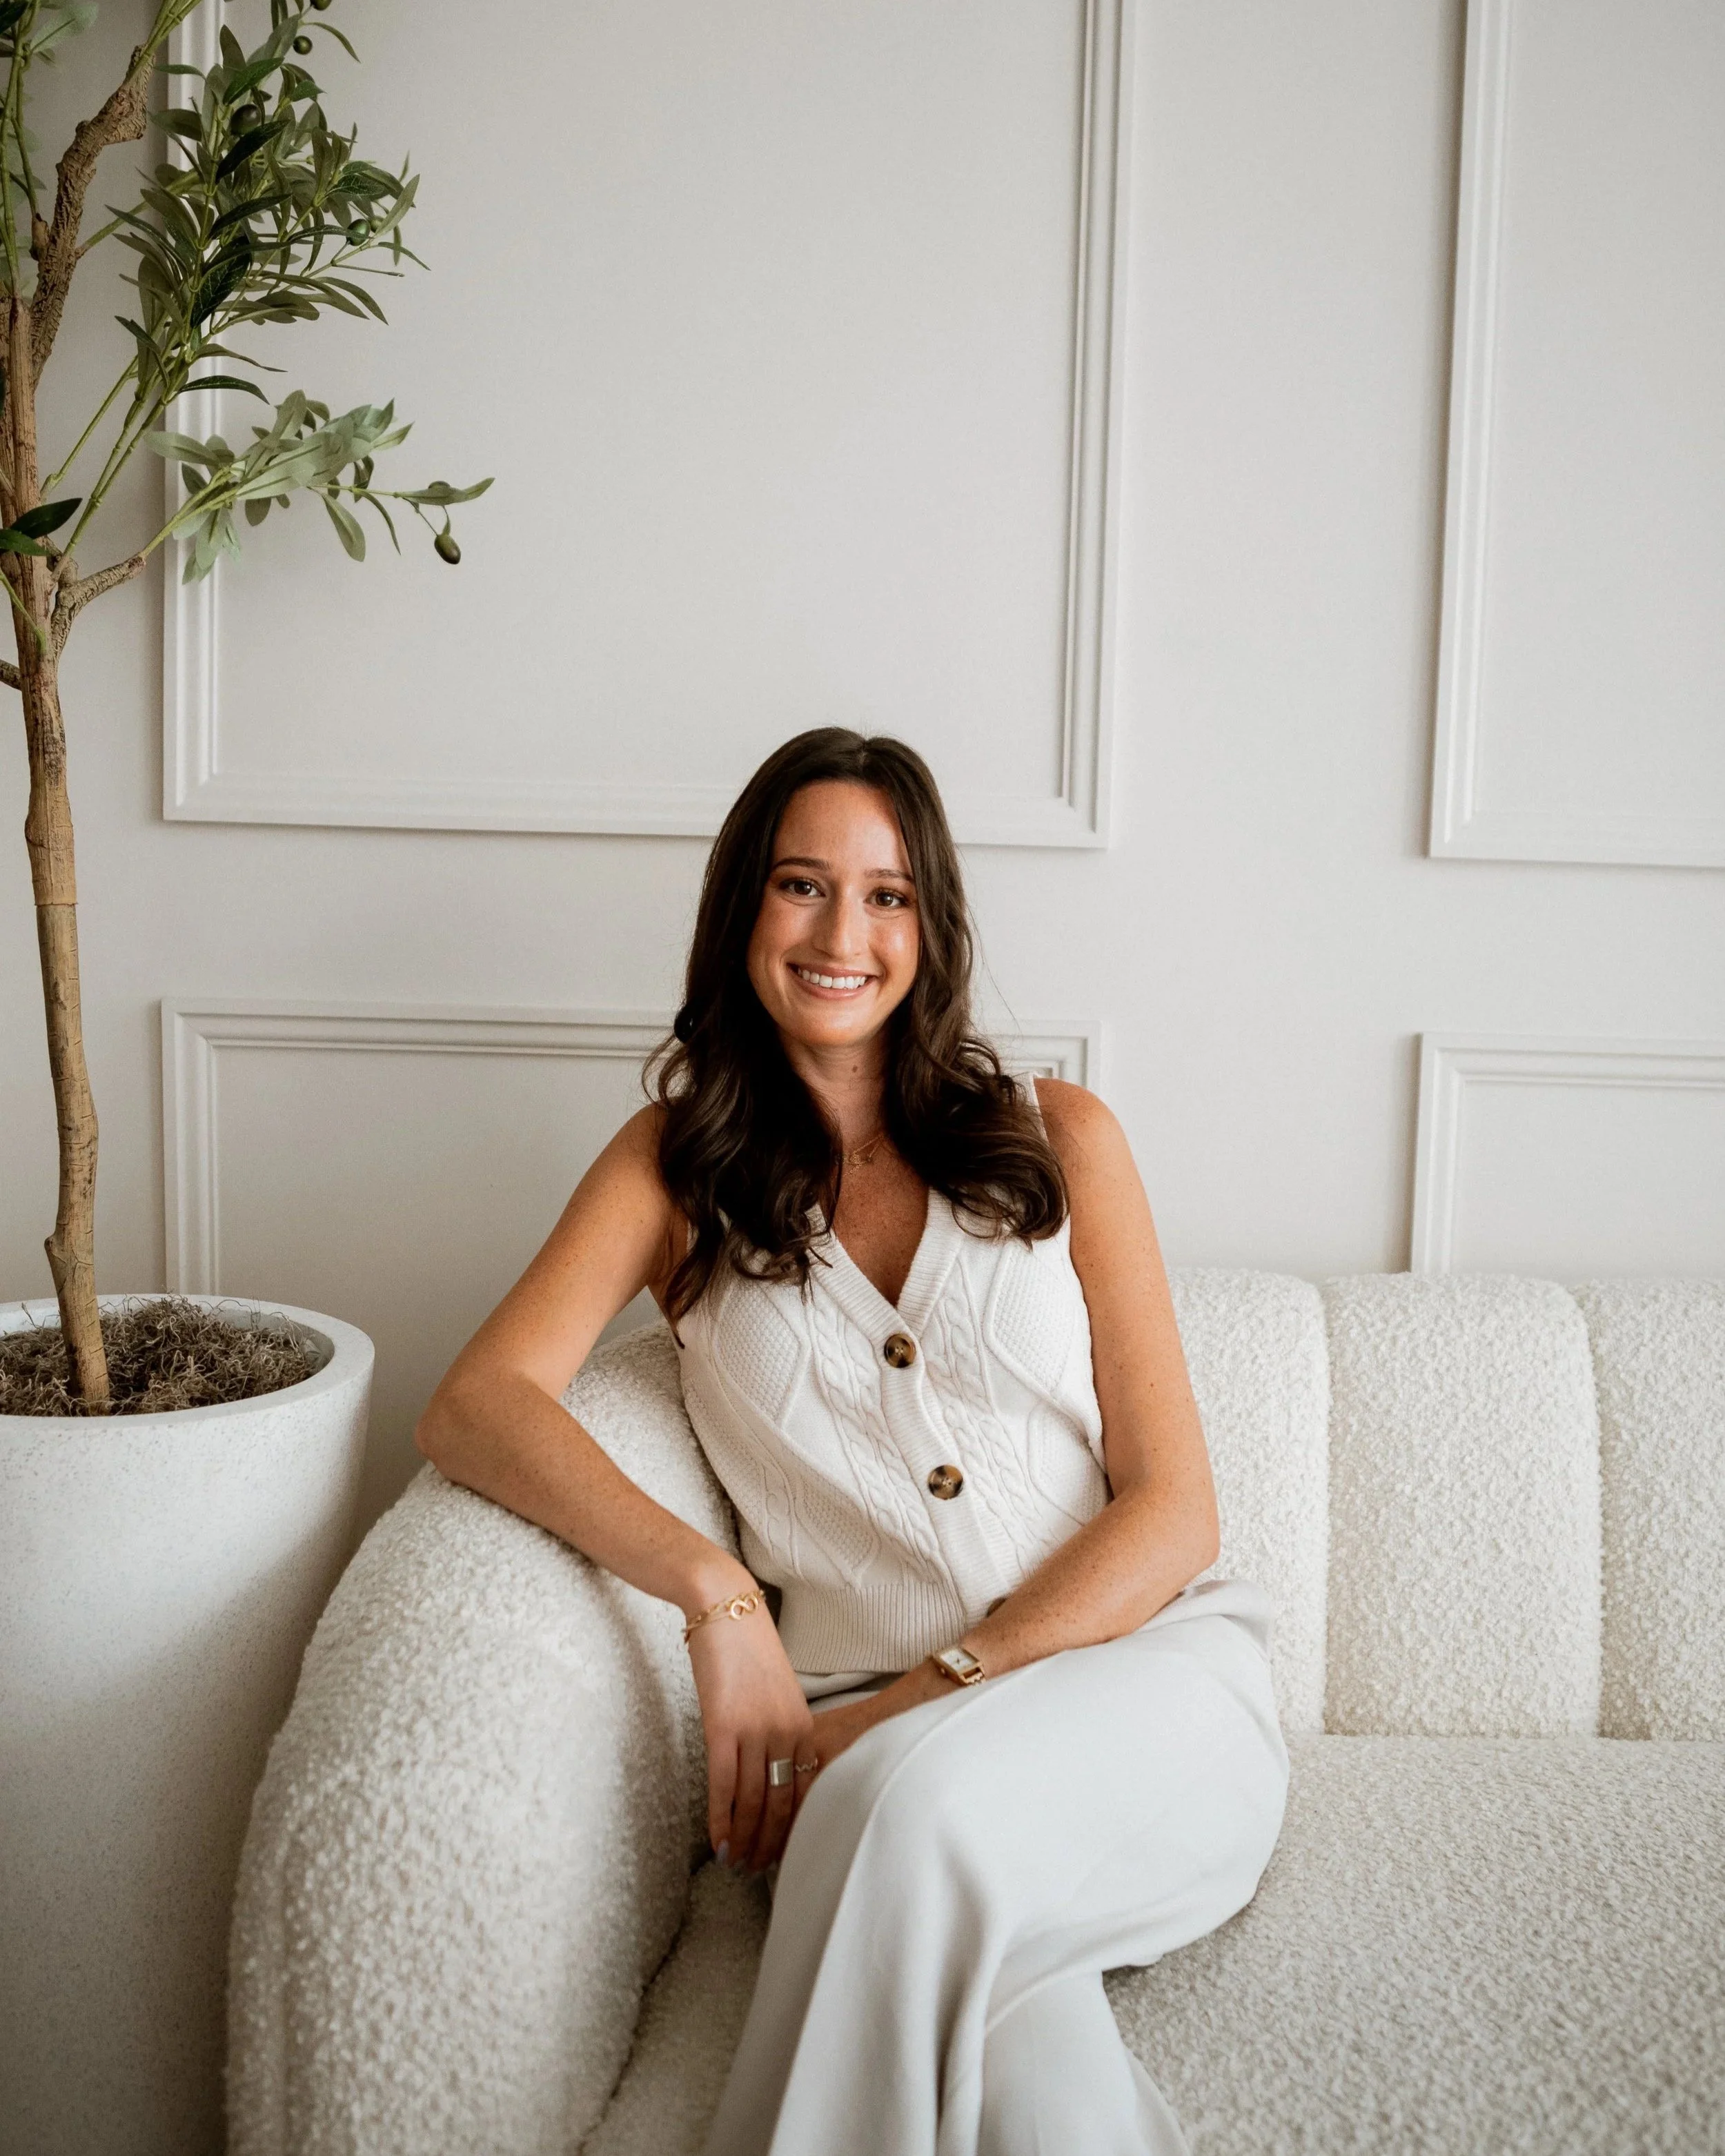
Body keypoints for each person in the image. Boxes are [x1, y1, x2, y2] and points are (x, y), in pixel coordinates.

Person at [417, 728, 1289, 2156]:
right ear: (740, 911)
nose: (842, 933)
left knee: (911, 1796)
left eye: (886, 895)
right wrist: (714, 1590)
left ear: (928, 925)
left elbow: (1174, 1510)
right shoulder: (672, 1169)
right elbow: (477, 1400)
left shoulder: (1057, 1135)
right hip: (850, 1739)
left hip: (1140, 1682)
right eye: (800, 885)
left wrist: (928, 1694)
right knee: (1038, 2095)